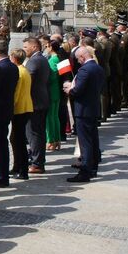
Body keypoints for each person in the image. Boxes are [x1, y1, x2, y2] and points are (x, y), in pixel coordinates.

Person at [65, 46, 105, 182]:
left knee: (85, 142)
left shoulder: (84, 70)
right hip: (93, 108)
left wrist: (70, 90)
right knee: (93, 139)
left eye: (78, 59)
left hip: (83, 110)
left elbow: (78, 90)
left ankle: (86, 171)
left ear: (82, 57)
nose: (78, 61)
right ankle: (93, 167)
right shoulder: (98, 68)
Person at [0, 40, 18, 188]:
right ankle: (2, 175)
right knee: (2, 143)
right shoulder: (13, 66)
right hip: (7, 109)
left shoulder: (0, 68)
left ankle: (0, 176)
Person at [24, 37, 50, 173]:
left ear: (34, 47)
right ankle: (38, 160)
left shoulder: (35, 60)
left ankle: (37, 163)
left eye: (26, 47)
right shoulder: (42, 59)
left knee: (34, 134)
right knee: (38, 133)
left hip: (36, 103)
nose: (24, 49)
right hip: (41, 101)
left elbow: (28, 80)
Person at [10, 48, 33, 180]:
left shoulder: (18, 71)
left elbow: (16, 93)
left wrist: (11, 106)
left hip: (20, 108)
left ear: (14, 58)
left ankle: (22, 170)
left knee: (19, 141)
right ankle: (18, 166)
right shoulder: (24, 69)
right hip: (26, 106)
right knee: (15, 138)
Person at [45, 40, 62, 151]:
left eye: (47, 46)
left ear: (51, 47)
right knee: (54, 117)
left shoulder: (53, 59)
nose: (46, 48)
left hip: (51, 91)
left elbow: (51, 76)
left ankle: (51, 140)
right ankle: (56, 139)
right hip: (55, 91)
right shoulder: (57, 58)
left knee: (50, 118)